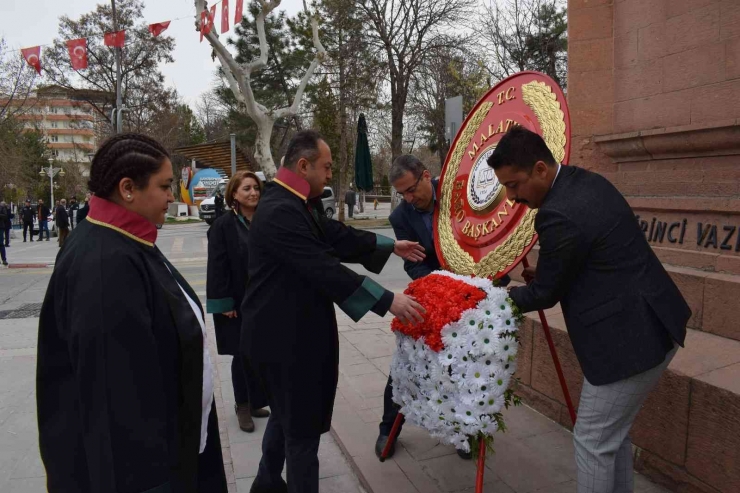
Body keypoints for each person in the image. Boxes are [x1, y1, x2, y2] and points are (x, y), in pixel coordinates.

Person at [488, 126, 690, 493]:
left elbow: (545, 294)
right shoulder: (584, 181)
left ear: (540, 169)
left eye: (514, 185)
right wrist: (548, 273)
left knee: (592, 441)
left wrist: (486, 298)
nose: (511, 196)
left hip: (631, 341)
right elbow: (587, 255)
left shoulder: (557, 213)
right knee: (613, 436)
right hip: (656, 318)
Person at [37, 133, 228, 493]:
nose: (172, 197)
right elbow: (118, 414)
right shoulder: (105, 266)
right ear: (127, 188)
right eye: (165, 186)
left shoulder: (126, 239)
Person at [241, 130, 426, 493]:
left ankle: (264, 484)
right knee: (303, 433)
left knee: (285, 417)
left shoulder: (292, 202)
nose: (329, 175)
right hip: (285, 343)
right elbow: (322, 267)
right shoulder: (281, 210)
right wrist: (389, 301)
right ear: (303, 164)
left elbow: (335, 234)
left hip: (287, 336)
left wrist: (390, 246)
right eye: (325, 167)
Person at [376, 155, 511, 461]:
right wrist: (439, 289)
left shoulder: (457, 193)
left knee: (463, 367)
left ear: (426, 176)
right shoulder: (401, 218)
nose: (409, 199)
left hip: (474, 294)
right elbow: (415, 263)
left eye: (412, 190)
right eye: (403, 194)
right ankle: (388, 429)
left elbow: (486, 234)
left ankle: (464, 432)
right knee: (408, 363)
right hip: (436, 295)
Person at [206, 171, 270, 433]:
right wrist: (225, 304)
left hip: (264, 301)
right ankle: (242, 405)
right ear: (234, 194)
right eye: (246, 189)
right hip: (237, 303)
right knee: (241, 354)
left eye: (256, 187)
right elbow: (217, 267)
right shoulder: (223, 226)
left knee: (259, 353)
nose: (253, 192)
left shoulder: (266, 220)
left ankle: (256, 400)